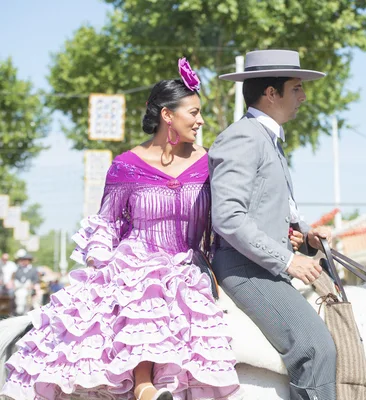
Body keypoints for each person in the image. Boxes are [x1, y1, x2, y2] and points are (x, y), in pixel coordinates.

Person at [1, 58, 240, 400]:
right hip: (133, 271)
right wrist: (102, 264)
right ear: (167, 115)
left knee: (165, 279)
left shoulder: (209, 164)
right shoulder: (125, 166)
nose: (201, 120)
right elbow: (107, 223)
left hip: (189, 268)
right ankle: (143, 386)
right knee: (145, 275)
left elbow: (224, 220)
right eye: (194, 112)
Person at [209, 49, 336, 400]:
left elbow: (275, 209)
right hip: (246, 267)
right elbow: (228, 216)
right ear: (271, 93)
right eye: (296, 87)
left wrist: (307, 235)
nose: (303, 96)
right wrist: (288, 260)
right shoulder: (244, 137)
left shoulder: (269, 139)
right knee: (316, 350)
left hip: (265, 266)